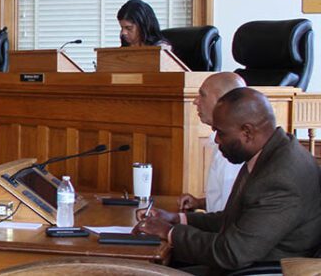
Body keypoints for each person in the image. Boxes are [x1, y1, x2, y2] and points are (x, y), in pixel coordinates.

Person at [135, 88, 321, 273]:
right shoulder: (271, 151)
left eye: (220, 132)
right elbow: (237, 220)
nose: (216, 140)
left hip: (256, 270)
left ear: (247, 132)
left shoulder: (281, 177)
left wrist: (169, 232)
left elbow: (231, 253)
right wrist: (178, 219)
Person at [178, 72, 245, 213]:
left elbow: (228, 216)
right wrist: (200, 203)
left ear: (222, 101)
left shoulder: (236, 148)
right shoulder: (220, 138)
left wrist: (177, 226)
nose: (196, 101)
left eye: (202, 95)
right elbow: (225, 201)